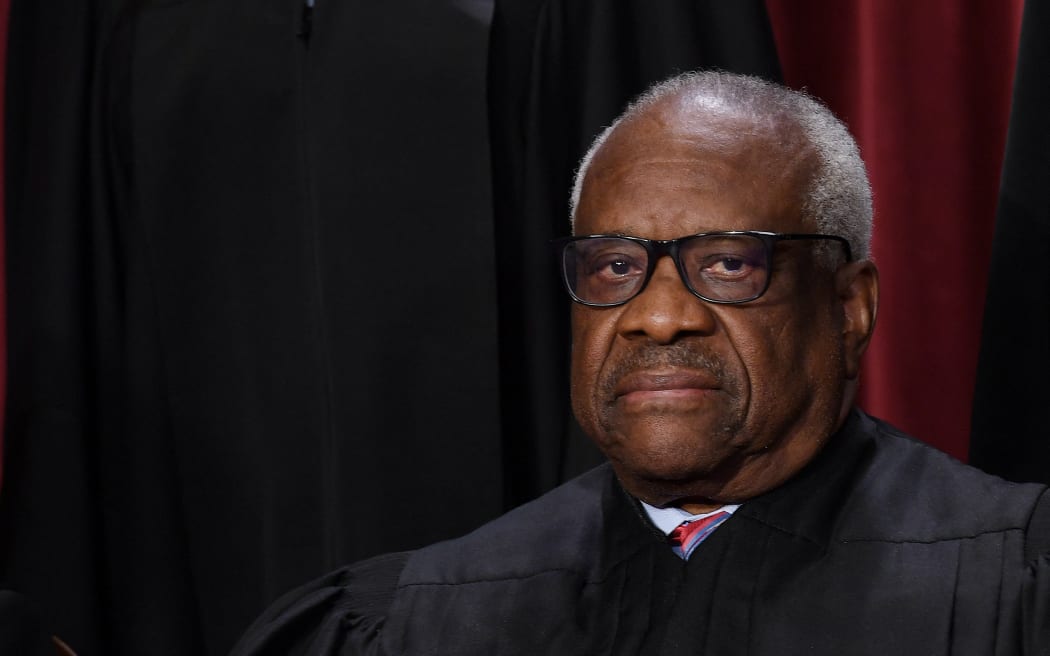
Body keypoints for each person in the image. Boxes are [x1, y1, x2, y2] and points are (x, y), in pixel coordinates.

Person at [231, 71, 1050, 655]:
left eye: (731, 263)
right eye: (615, 266)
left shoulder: (1012, 584)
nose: (657, 317)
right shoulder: (421, 618)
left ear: (849, 308)